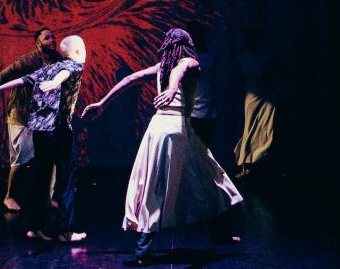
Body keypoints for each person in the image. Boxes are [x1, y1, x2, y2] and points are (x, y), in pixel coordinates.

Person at [82, 28, 243, 265]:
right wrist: (172, 88)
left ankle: (145, 249)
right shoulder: (188, 61)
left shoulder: (161, 68)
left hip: (157, 129)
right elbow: (179, 71)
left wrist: (103, 102)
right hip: (177, 129)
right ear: (187, 45)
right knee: (211, 179)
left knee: (154, 186)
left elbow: (130, 79)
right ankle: (220, 232)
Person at [0, 35, 87, 243]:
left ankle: (35, 228)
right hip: (59, 130)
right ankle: (66, 231)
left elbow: (25, 79)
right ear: (79, 52)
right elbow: (66, 73)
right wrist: (55, 82)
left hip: (40, 131)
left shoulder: (50, 66)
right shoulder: (74, 66)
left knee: (41, 180)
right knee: (67, 180)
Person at [0, 28, 63, 212]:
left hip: (43, 116)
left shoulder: (58, 60)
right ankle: (9, 196)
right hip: (21, 115)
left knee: (50, 158)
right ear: (38, 43)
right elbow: (4, 75)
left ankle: (47, 198)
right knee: (22, 157)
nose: (52, 40)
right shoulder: (29, 61)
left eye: (53, 37)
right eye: (47, 37)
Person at [233, 25, 276, 179]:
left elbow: (276, 73)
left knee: (266, 130)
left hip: (267, 97)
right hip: (251, 97)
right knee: (248, 130)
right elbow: (237, 78)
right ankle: (245, 166)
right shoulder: (243, 57)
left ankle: (262, 165)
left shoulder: (266, 57)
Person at [186, 21, 218, 149]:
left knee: (206, 148)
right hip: (192, 111)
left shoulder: (211, 56)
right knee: (194, 149)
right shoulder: (185, 58)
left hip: (209, 110)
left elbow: (213, 82)